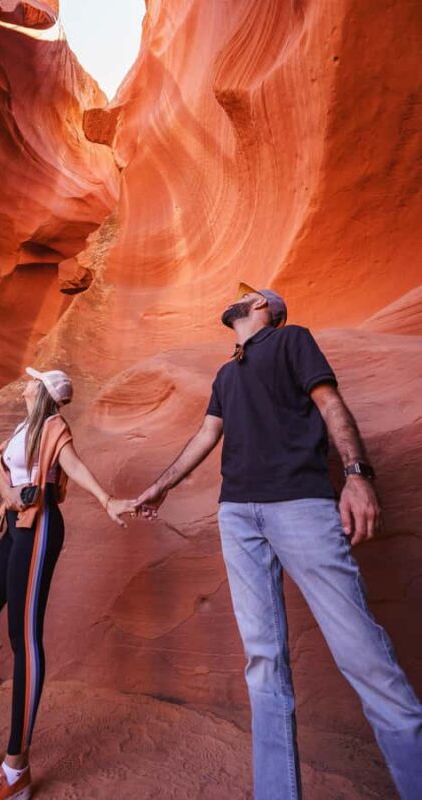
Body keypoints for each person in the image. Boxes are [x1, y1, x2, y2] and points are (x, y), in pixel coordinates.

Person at [134, 284, 422, 800]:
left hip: (300, 505)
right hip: (237, 516)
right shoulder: (226, 374)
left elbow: (331, 403)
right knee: (263, 660)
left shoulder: (293, 340)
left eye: (246, 294)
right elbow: (206, 435)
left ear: (263, 306)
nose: (234, 299)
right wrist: (162, 484)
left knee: (361, 652)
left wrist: (357, 474)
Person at [0, 366, 135, 800]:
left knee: (23, 638)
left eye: (34, 380)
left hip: (40, 525)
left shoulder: (52, 426)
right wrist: (8, 494)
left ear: (43, 391)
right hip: (17, 524)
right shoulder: (22, 429)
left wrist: (107, 500)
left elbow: (72, 464)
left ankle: (16, 770)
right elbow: (4, 473)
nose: (26, 383)